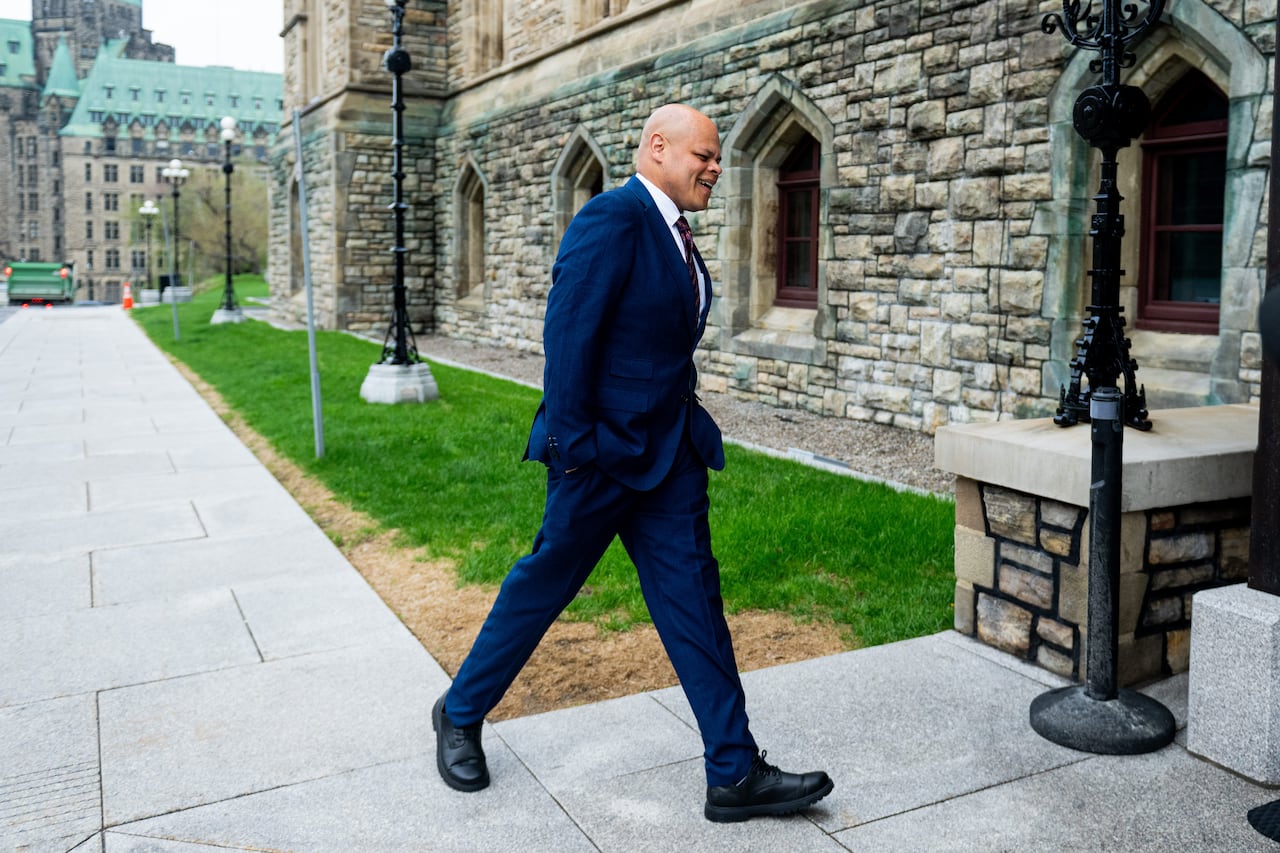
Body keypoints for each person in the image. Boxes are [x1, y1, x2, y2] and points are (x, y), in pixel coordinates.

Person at [432, 103, 833, 823]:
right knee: (543, 588)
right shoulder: (611, 219)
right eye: (704, 156)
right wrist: (577, 451)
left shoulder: (677, 235)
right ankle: (459, 713)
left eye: (716, 158)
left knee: (696, 606)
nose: (715, 168)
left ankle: (734, 772)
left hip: (670, 456)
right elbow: (568, 338)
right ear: (657, 148)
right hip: (601, 457)